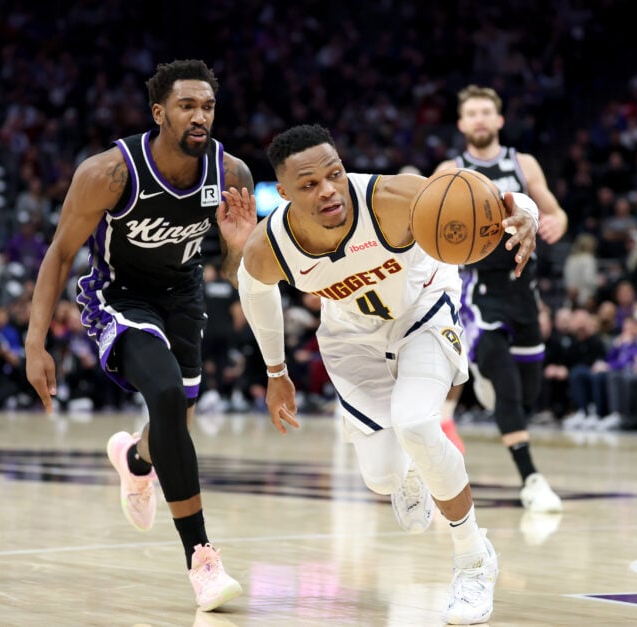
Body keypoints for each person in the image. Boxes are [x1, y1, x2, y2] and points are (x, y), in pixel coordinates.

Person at [235, 124, 539, 625]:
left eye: (334, 174)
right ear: (284, 193)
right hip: (351, 337)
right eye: (309, 184)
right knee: (380, 478)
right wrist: (275, 371)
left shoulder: (393, 199)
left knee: (416, 423)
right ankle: (411, 469)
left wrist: (526, 213)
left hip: (423, 309)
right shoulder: (271, 246)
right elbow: (254, 290)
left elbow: (492, 198)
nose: (328, 189)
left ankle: (473, 559)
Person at [25, 60, 257, 612]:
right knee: (169, 396)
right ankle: (202, 560)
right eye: (186, 106)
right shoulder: (109, 172)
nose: (200, 117)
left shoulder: (231, 174)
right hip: (119, 297)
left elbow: (234, 270)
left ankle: (135, 461)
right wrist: (35, 343)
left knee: (175, 421)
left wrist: (237, 247)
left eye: (207, 107)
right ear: (159, 112)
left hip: (184, 297)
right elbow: (60, 253)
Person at [435, 85, 566, 513]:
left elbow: (555, 211)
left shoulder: (522, 163)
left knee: (525, 395)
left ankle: (486, 383)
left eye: (485, 112)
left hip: (523, 290)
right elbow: (426, 226)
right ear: (461, 124)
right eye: (471, 113)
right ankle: (532, 479)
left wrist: (556, 222)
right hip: (477, 292)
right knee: (507, 387)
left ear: (499, 120)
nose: (479, 119)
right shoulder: (450, 171)